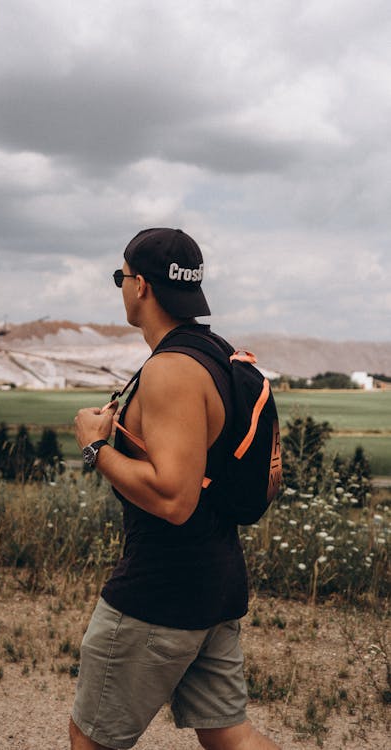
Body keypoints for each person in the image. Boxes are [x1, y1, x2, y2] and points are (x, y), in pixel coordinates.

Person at [71, 228, 280, 750]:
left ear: (140, 286)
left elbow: (174, 498)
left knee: (90, 738)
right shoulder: (214, 353)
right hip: (215, 582)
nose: (122, 287)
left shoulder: (171, 371)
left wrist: (97, 449)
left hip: (160, 592)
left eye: (121, 277)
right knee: (229, 736)